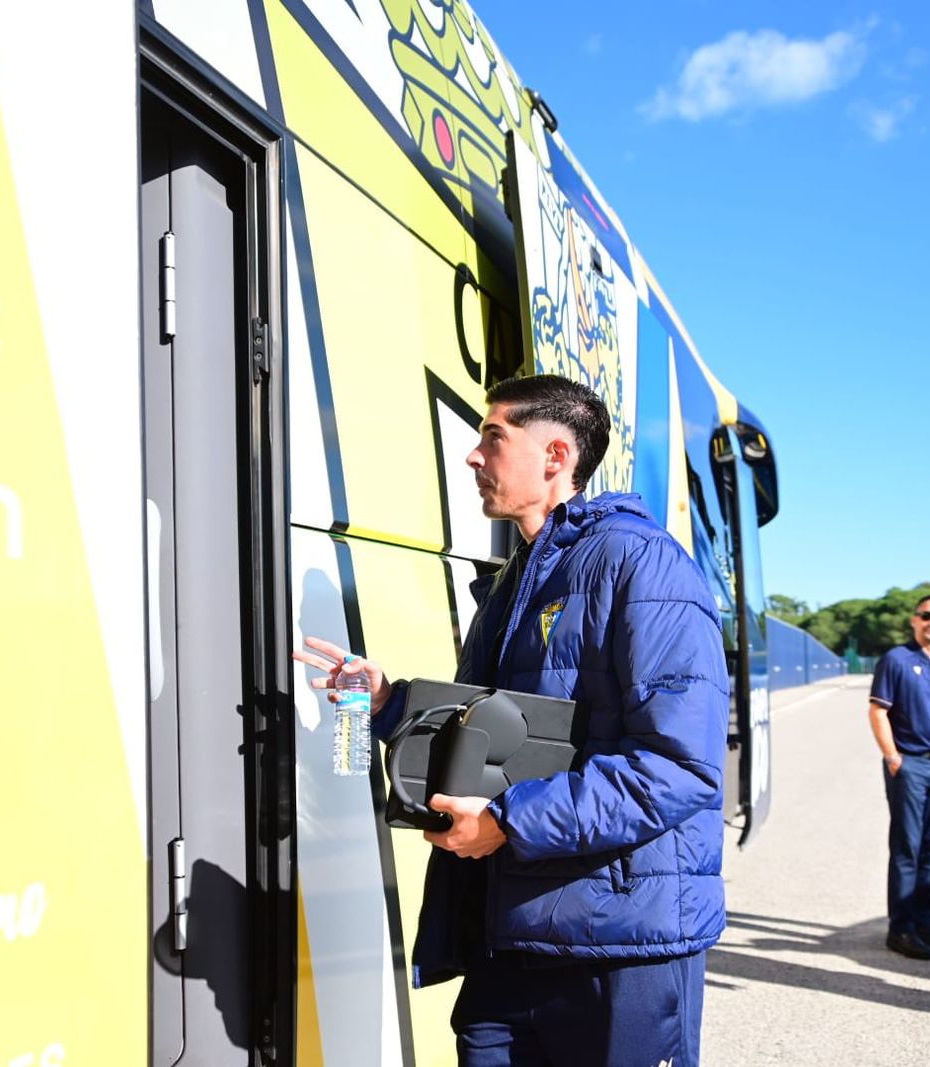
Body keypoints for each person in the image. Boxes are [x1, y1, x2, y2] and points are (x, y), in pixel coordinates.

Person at [292, 375, 730, 1067]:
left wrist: (508, 823)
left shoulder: (643, 565)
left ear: (555, 456)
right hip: (511, 933)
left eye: (493, 437)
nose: (473, 455)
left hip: (618, 950)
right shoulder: (516, 578)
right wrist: (388, 704)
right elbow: (496, 728)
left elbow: (680, 766)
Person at [867, 594, 930, 960]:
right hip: (908, 765)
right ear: (914, 620)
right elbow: (877, 711)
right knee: (907, 848)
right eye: (926, 616)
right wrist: (892, 756)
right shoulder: (896, 660)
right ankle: (901, 930)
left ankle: (925, 923)